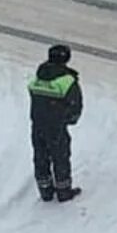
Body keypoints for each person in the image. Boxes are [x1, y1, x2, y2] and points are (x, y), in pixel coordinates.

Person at [27, 43, 83, 203]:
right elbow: (75, 106)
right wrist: (69, 119)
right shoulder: (67, 81)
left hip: (37, 124)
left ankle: (45, 190)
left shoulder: (39, 77)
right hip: (56, 126)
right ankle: (63, 190)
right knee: (60, 156)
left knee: (41, 156)